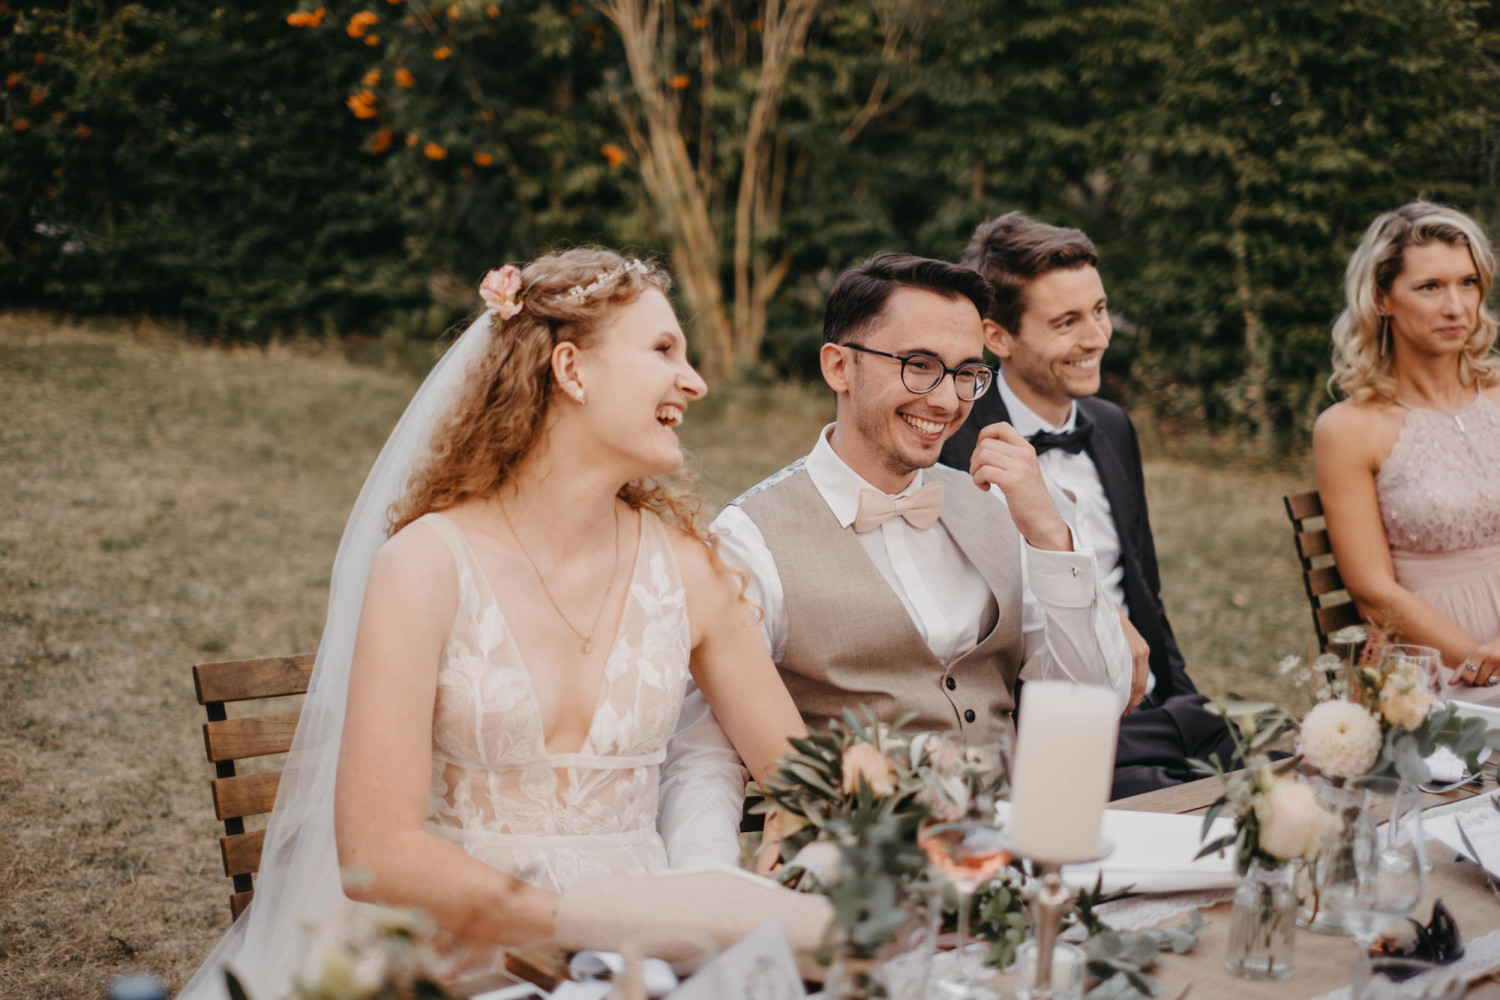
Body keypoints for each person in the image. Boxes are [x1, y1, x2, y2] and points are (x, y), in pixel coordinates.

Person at [179, 248, 805, 999]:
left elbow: (804, 771)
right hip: (448, 958)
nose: (696, 381)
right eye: (665, 350)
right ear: (571, 371)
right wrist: (588, 921)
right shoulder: (426, 565)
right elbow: (376, 853)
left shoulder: (689, 570)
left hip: (640, 965)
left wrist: (840, 812)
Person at [659, 253, 1133, 869]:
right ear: (839, 366)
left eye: (967, 374)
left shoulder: (1004, 508)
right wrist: (711, 895)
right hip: (864, 879)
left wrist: (1051, 537)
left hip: (1017, 857)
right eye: (920, 367)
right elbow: (701, 759)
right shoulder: (749, 541)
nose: (947, 400)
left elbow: (1095, 698)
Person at [939, 212, 1237, 799]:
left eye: (1099, 311)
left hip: (1164, 708)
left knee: (1299, 781)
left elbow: (1143, 587)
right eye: (1067, 322)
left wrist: (1181, 694)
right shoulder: (953, 448)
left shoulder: (1111, 427)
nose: (1097, 337)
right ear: (997, 337)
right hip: (1055, 725)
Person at [1314, 201, 1500, 697]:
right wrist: (1487, 665)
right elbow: (1374, 595)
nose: (1456, 307)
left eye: (1468, 282)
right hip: (1435, 662)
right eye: (1430, 287)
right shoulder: (1349, 428)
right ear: (1382, 298)